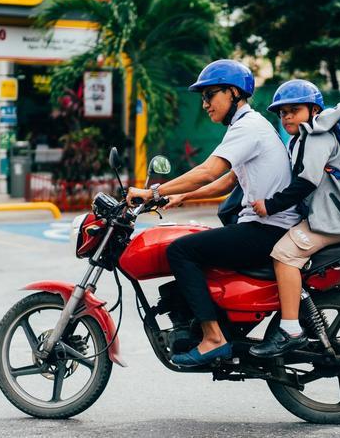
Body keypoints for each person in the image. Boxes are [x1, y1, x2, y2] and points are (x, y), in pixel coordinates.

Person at [126, 59, 301, 367]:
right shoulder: (249, 125)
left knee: (181, 250)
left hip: (268, 230)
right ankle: (206, 324)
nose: (205, 104)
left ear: (233, 93)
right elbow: (228, 180)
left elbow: (209, 171)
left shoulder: (248, 127)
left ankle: (213, 338)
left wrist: (153, 192)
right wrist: (181, 197)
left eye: (209, 95)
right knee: (196, 244)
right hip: (266, 226)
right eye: (202, 97)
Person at [248, 80, 340, 358]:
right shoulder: (302, 137)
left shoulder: (317, 136)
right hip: (328, 217)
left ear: (314, 110)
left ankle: (290, 329)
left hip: (335, 221)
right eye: (282, 112)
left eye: (294, 109)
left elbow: (306, 182)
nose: (287, 116)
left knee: (284, 255)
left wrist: (271, 205)